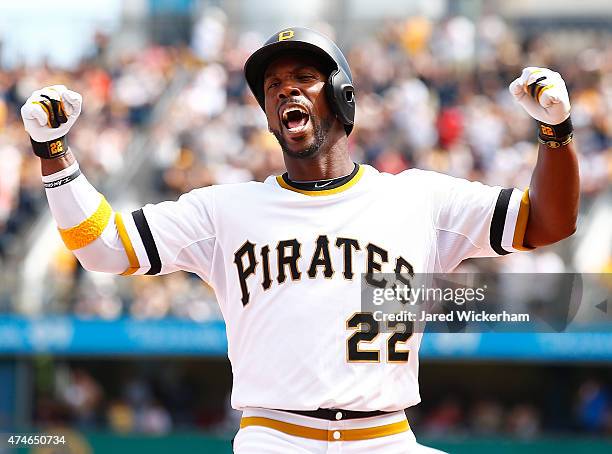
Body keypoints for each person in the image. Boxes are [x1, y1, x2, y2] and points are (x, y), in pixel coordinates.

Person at [21, 27, 578, 453]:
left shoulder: (419, 199)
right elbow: (104, 249)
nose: (285, 89)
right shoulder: (226, 209)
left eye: (302, 78)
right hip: (275, 438)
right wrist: (54, 155)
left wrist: (555, 135)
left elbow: (549, 222)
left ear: (341, 94)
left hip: (385, 437)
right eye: (273, 86)